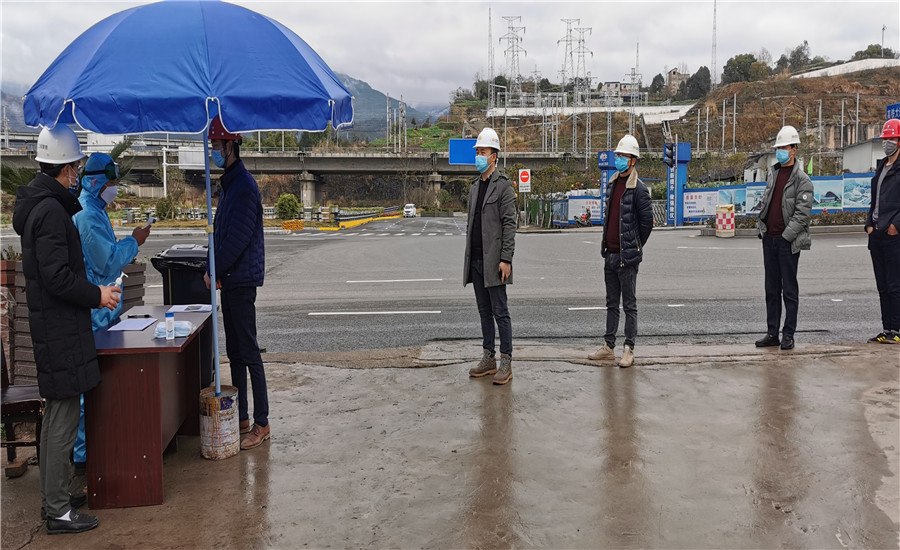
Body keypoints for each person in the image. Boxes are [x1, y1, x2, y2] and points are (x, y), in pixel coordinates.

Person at [12, 125, 120, 534]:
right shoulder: (51, 213)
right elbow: (58, 278)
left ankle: (55, 498)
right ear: (65, 168)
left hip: (57, 327)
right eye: (75, 166)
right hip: (60, 330)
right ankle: (57, 510)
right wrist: (97, 295)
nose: (77, 173)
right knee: (61, 420)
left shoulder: (43, 207)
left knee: (59, 417)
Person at [70, 152, 150, 478]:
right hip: (94, 315)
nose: (114, 188)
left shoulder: (96, 211)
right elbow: (106, 262)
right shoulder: (87, 216)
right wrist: (135, 241)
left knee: (100, 387)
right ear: (94, 182)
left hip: (104, 313)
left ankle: (97, 449)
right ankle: (84, 459)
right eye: (111, 182)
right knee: (89, 393)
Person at [203, 115, 269, 449]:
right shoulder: (229, 185)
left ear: (231, 146)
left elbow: (237, 240)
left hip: (241, 280)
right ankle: (241, 416)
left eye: (216, 145)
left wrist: (214, 270)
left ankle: (262, 422)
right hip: (230, 279)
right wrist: (209, 265)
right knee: (235, 353)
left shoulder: (242, 186)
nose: (214, 151)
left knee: (249, 352)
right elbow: (218, 235)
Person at [588, 135, 653, 368]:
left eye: (623, 156)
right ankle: (608, 347)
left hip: (627, 258)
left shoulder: (639, 189)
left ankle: (629, 349)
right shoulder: (613, 184)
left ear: (633, 160)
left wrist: (634, 245)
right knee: (611, 304)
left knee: (630, 305)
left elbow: (647, 224)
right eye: (617, 155)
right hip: (610, 255)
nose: (618, 159)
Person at [464, 127, 517, 385]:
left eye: (482, 152)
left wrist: (506, 259)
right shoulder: (475, 187)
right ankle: (488, 357)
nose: (478, 156)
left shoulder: (503, 185)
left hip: (495, 261)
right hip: (475, 260)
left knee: (500, 312)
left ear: (493, 156)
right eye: (477, 152)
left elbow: (509, 224)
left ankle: (506, 360)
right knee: (484, 312)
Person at [755, 125, 813, 351]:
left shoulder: (802, 179)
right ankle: (772, 333)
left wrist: (787, 236)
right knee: (771, 290)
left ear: (794, 150)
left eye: (784, 147)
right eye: (778, 148)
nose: (780, 151)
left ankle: (788, 334)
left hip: (786, 242)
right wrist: (762, 226)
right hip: (769, 239)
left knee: (789, 290)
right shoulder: (773, 173)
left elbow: (802, 214)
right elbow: (766, 201)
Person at [865, 119, 900, 344]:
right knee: (882, 286)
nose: (887, 143)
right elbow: (874, 200)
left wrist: (896, 225)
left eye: (891, 138)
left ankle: (896, 329)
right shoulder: (881, 167)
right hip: (876, 233)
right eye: (885, 139)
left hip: (893, 234)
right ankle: (886, 328)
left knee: (895, 285)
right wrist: (869, 224)